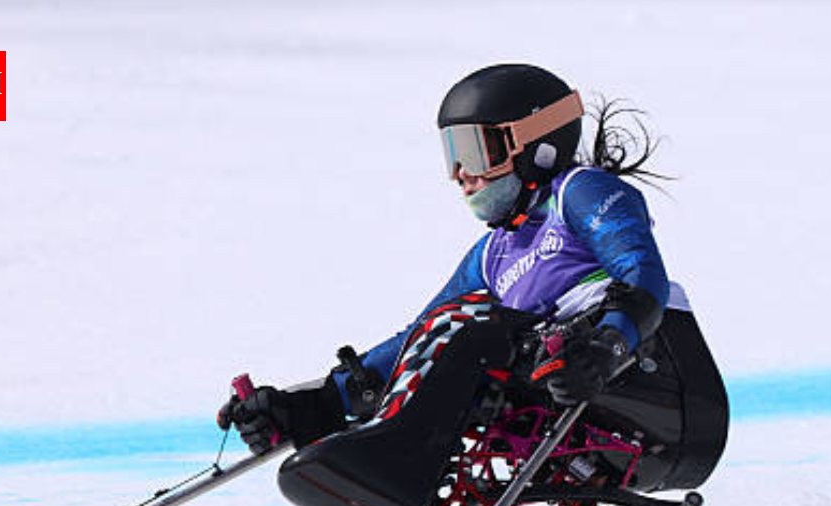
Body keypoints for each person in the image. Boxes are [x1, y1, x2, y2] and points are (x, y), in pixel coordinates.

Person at [220, 63, 675, 456]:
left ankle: (395, 454)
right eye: (453, 156)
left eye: (477, 153)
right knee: (451, 327)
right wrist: (312, 406)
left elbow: (643, 275)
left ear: (539, 146)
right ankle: (380, 446)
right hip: (555, 400)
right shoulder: (493, 255)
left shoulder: (578, 190)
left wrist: (608, 347)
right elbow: (421, 338)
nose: (461, 175)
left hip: (651, 382)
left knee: (468, 320)